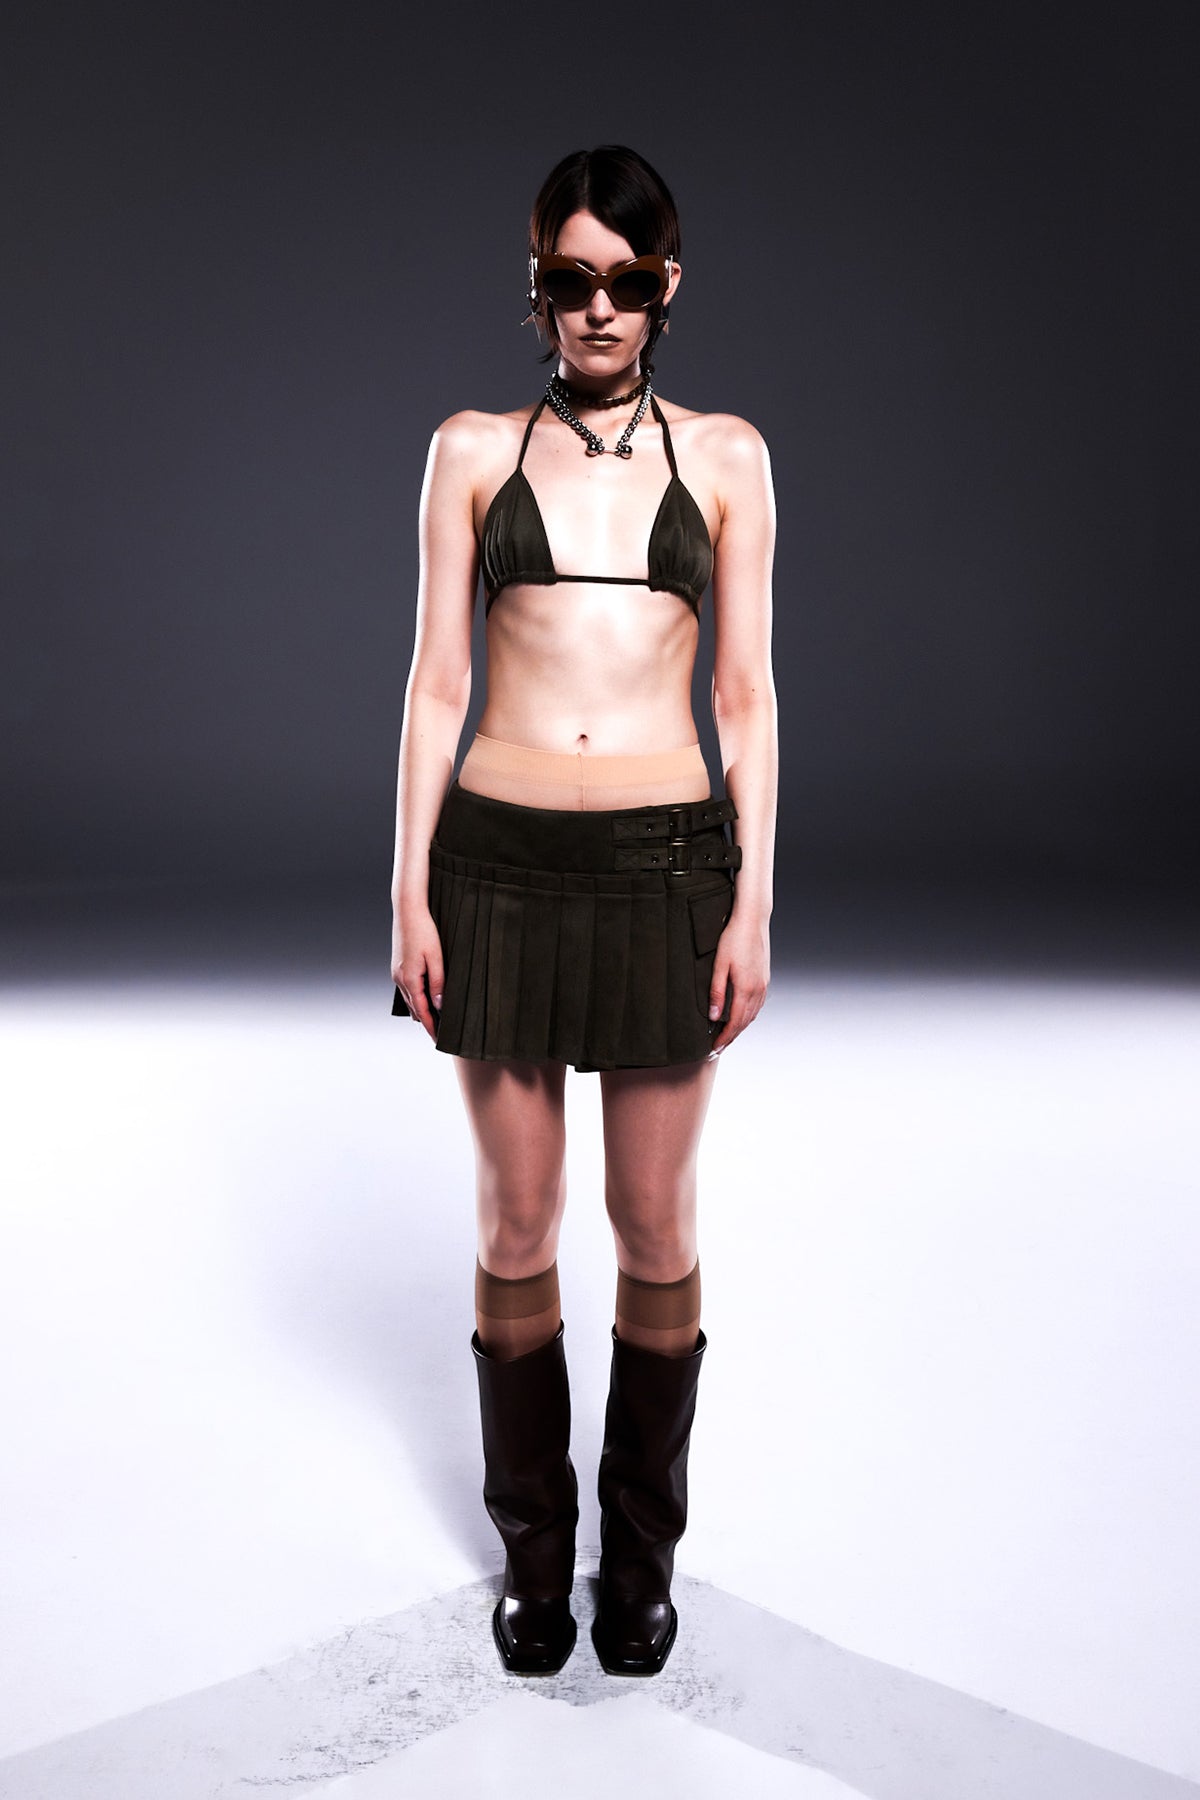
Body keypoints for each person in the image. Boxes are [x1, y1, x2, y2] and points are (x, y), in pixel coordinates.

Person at [390, 144, 777, 1677]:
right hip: (495, 870)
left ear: (667, 286)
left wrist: (752, 902)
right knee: (514, 1217)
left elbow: (745, 694)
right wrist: (409, 887)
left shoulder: (728, 458)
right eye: (571, 278)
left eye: (626, 279)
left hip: (668, 869)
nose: (598, 306)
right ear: (537, 285)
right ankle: (536, 1557)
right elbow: (436, 683)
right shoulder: (471, 451)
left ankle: (643, 1557)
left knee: (655, 1221)